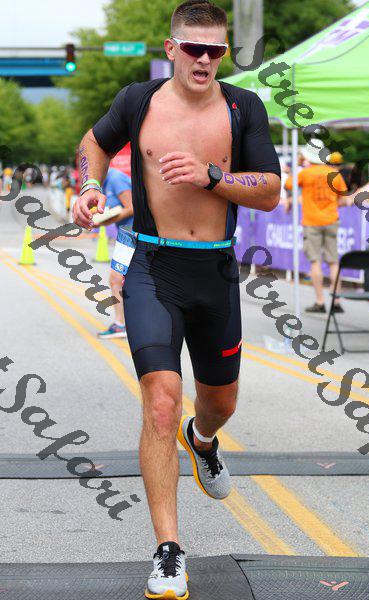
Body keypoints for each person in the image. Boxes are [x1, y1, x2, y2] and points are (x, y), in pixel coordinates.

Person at [73, 1, 280, 597]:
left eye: (216, 50)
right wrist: (88, 185)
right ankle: (168, 550)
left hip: (214, 270)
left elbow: (269, 190)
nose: (205, 59)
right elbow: (92, 143)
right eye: (194, 48)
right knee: (160, 403)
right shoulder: (137, 102)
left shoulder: (243, 107)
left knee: (220, 403)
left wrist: (213, 176)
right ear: (172, 49)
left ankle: (204, 439)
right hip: (153, 267)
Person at [285, 147, 347, 314]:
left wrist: (297, 165)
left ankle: (320, 302)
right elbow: (343, 199)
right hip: (331, 219)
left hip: (312, 221)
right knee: (333, 261)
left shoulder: (305, 172)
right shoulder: (334, 173)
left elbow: (288, 184)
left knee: (315, 262)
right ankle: (336, 301)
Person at [96, 167, 134, 339]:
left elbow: (132, 207)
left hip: (132, 233)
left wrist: (103, 220)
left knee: (115, 279)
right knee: (120, 280)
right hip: (127, 233)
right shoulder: (103, 182)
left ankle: (120, 325)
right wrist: (101, 221)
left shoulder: (115, 178)